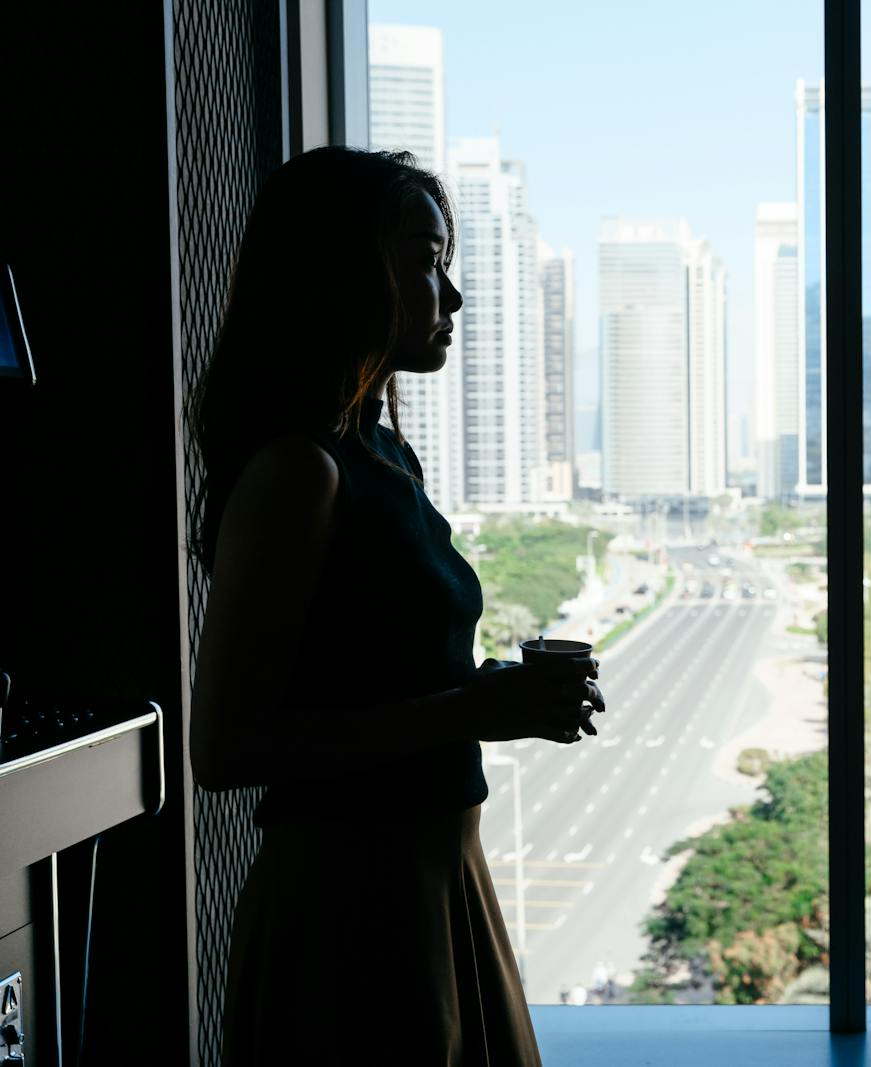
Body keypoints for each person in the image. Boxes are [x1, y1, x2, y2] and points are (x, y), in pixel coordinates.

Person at [188, 146, 603, 1066]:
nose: (450, 296)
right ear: (341, 274)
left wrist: (484, 703)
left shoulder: (382, 458)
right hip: (350, 909)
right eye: (423, 260)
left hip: (435, 879)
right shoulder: (301, 472)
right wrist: (474, 710)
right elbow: (225, 748)